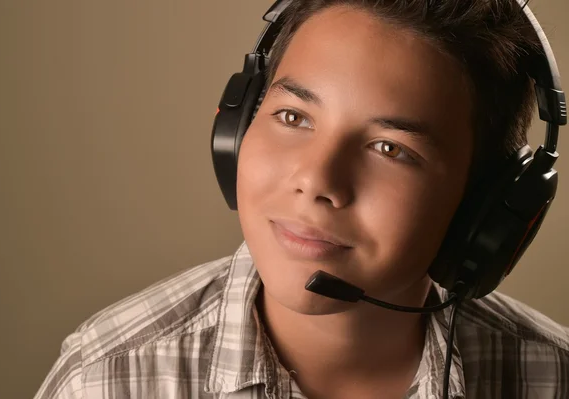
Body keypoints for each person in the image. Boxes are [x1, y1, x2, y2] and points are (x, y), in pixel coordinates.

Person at [34, 0, 569, 398]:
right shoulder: (106, 376)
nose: (317, 180)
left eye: (390, 148)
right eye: (293, 116)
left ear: (486, 206)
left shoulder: (553, 376)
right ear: (239, 128)